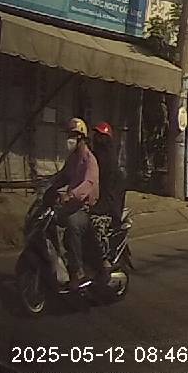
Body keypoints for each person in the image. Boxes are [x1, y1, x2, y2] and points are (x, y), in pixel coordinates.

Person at [46, 118, 100, 288]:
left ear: (81, 138)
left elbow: (88, 184)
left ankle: (78, 271)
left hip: (85, 208)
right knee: (49, 220)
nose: (69, 139)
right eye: (68, 135)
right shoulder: (73, 159)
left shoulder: (90, 160)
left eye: (72, 136)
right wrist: (48, 185)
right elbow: (63, 176)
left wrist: (70, 195)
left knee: (72, 224)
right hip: (70, 205)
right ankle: (57, 262)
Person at [89, 122, 124, 226]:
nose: (97, 138)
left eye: (100, 136)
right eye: (96, 135)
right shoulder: (95, 154)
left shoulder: (107, 158)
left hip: (107, 203)